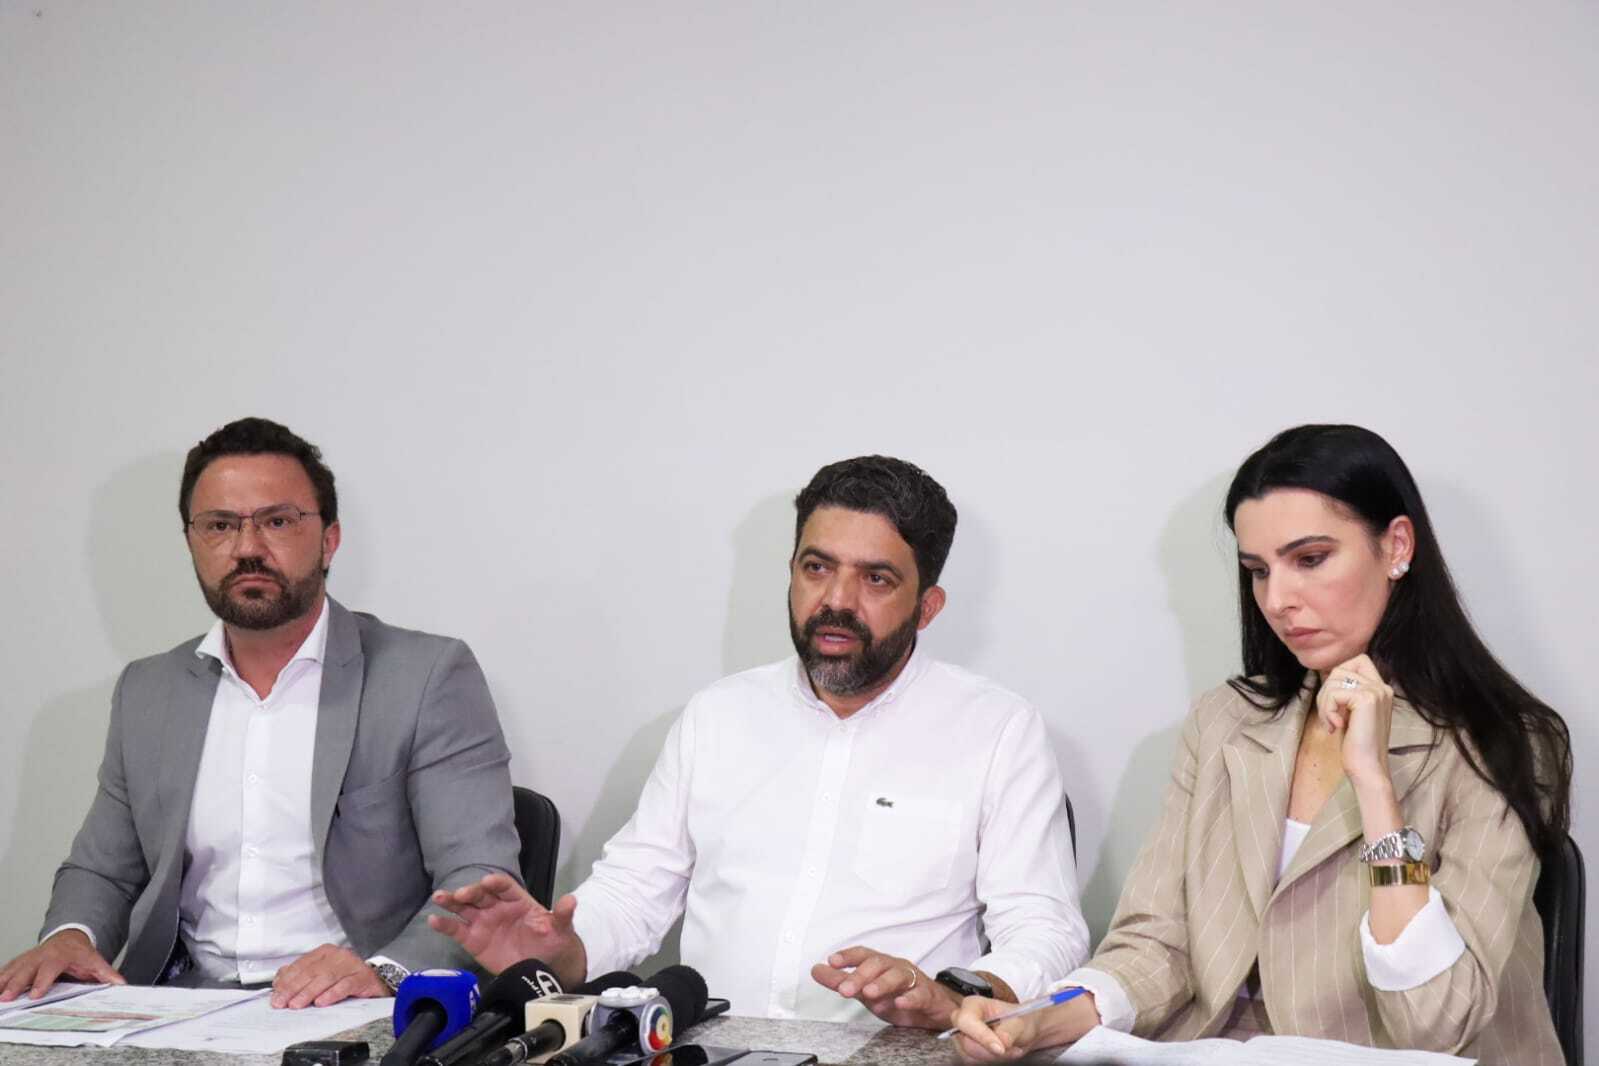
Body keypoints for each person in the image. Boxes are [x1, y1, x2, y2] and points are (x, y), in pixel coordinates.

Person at [952, 424, 1570, 1064]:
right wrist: (1040, 1020)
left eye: (1311, 559)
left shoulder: (1506, 742)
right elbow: (1157, 943)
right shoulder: (1225, 721)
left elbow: (1438, 1019)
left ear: (1396, 546)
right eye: (1257, 571)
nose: (1277, 600)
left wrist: (1375, 786)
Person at [431, 456, 1089, 1025]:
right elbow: (633, 893)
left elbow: (1046, 930)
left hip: (894, 1052)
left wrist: (951, 997)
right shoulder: (718, 716)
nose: (836, 600)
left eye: (876, 579)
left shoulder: (997, 730)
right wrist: (560, 951)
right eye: (817, 567)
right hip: (714, 1045)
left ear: (928, 606)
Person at [0, 418, 522, 1009]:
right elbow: (103, 870)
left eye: (277, 521)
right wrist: (71, 937)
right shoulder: (148, 691)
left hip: (353, 1005)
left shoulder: (425, 676)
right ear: (192, 541)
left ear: (329, 539)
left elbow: (478, 878)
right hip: (183, 1009)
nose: (247, 548)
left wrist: (384, 973)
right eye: (220, 525)